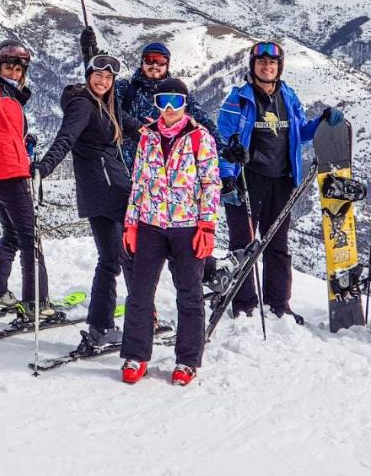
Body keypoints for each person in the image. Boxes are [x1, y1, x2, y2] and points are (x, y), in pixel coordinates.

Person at [216, 40, 338, 321]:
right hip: (246, 179)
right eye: (262, 62)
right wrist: (227, 178)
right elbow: (224, 141)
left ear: (279, 67)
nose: (267, 66)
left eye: (272, 63)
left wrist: (322, 121)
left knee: (278, 245)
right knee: (243, 244)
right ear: (253, 65)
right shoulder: (238, 99)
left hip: (281, 181)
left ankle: (278, 304)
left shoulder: (289, 96)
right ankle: (243, 303)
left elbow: (299, 133)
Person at [34, 51, 140, 354]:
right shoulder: (83, 104)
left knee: (109, 259)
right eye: (98, 75)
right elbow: (65, 138)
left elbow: (130, 124)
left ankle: (101, 327)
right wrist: (44, 167)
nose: (103, 81)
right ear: (88, 76)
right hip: (111, 189)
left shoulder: (104, 104)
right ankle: (141, 318)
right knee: (132, 254)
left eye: (109, 78)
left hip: (96, 193)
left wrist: (162, 129)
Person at [119, 78, 221, 387]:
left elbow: (210, 184)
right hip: (151, 224)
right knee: (139, 292)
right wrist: (131, 223)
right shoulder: (147, 137)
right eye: (163, 100)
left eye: (175, 101)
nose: (168, 108)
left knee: (189, 294)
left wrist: (207, 225)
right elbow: (138, 181)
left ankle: (187, 361)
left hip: (187, 225)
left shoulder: (199, 138)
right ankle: (136, 355)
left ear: (185, 104)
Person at [0, 39, 60, 322]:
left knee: (12, 235)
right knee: (31, 239)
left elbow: (1, 126)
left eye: (19, 69)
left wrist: (23, 142)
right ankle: (35, 302)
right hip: (8, 174)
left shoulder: (10, 95)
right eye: (9, 67)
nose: (14, 72)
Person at [80, 28, 216, 167]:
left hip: (166, 174)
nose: (155, 65)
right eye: (150, 60)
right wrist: (90, 57)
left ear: (167, 65)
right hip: (125, 171)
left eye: (161, 61)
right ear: (142, 63)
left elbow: (204, 123)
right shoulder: (125, 89)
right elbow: (99, 90)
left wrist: (226, 149)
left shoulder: (177, 94)